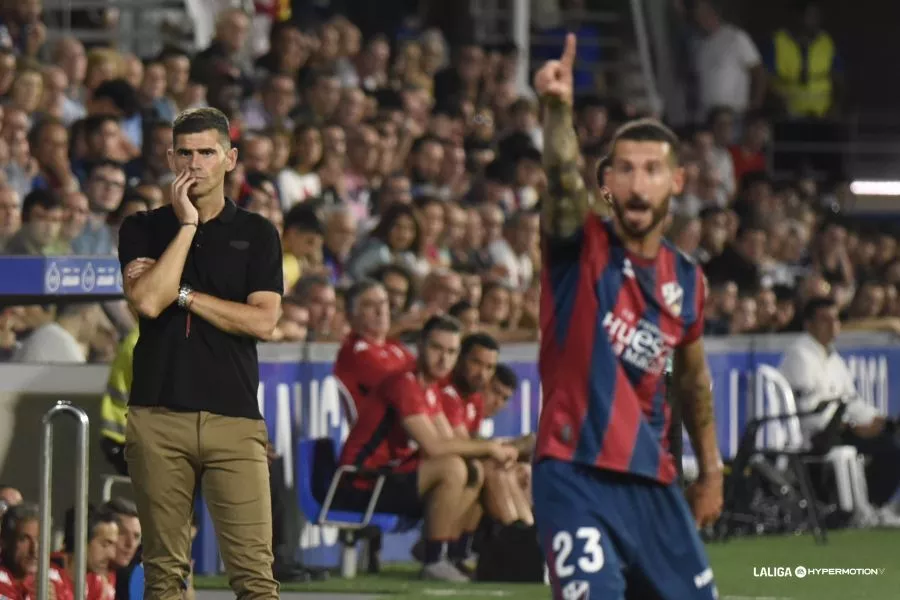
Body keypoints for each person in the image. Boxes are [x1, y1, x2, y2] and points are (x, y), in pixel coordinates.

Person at [531, 34, 723, 600]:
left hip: (652, 479)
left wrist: (710, 470)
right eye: (626, 170)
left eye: (653, 170)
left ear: (676, 182)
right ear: (607, 184)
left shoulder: (687, 281)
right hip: (572, 473)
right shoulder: (577, 248)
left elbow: (692, 379)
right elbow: (562, 180)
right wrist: (558, 110)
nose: (639, 184)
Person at [117, 107, 283, 600]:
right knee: (164, 574)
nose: (196, 163)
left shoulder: (257, 233)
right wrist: (187, 225)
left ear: (230, 158)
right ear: (170, 157)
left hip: (233, 418)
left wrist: (184, 295)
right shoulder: (142, 227)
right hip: (157, 414)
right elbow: (148, 302)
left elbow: (263, 322)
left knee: (255, 576)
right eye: (185, 152)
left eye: (207, 152)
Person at [335, 315, 518, 582]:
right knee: (452, 467)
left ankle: (454, 553)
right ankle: (434, 559)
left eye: (451, 351)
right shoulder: (403, 383)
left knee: (473, 466)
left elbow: (453, 441)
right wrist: (490, 447)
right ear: (420, 345)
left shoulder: (428, 387)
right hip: (360, 483)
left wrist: (492, 448)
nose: (444, 359)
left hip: (386, 478)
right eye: (436, 348)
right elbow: (434, 446)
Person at [779, 297, 900, 521]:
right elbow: (809, 412)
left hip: (839, 429)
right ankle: (866, 509)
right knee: (888, 448)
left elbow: (850, 400)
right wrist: (853, 427)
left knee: (889, 437)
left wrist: (877, 419)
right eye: (825, 320)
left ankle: (874, 505)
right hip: (814, 436)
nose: (833, 325)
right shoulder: (800, 355)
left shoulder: (832, 356)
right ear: (809, 324)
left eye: (836, 319)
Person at [333, 278, 414, 423]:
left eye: (384, 303)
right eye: (370, 305)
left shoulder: (396, 348)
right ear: (351, 316)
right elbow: (402, 389)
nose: (380, 311)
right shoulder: (354, 352)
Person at [0, 503, 73, 600]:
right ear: (4, 542)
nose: (34, 549)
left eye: (40, 540)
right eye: (24, 539)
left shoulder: (54, 577)